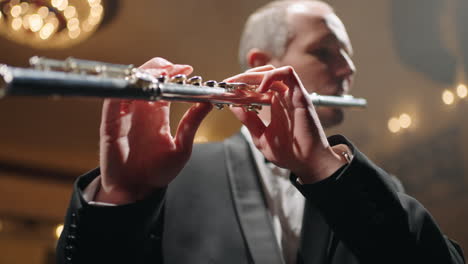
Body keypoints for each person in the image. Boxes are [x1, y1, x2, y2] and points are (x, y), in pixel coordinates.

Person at [56, 1, 465, 263]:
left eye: (349, 60)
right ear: (262, 64)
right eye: (325, 51)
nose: (348, 72)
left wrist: (325, 167)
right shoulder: (175, 177)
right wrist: (124, 201)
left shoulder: (369, 186)